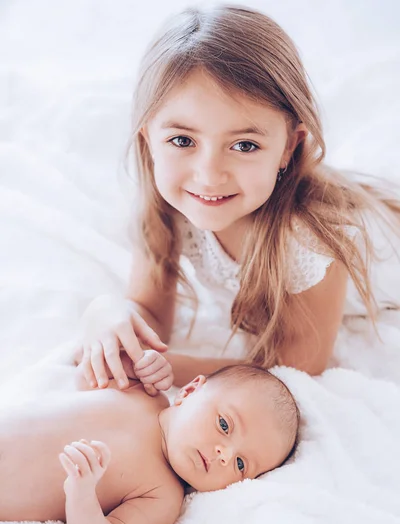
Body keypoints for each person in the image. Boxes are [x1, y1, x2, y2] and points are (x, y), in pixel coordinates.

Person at [76, 4, 400, 392]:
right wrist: (107, 315)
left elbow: (298, 366)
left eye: (244, 145)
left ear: (287, 147)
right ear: (148, 136)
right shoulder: (170, 203)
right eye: (182, 140)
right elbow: (149, 312)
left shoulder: (316, 235)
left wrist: (168, 367)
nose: (209, 175)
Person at [0, 361, 299, 524]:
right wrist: (137, 360)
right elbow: (84, 374)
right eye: (224, 425)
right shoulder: (145, 391)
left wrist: (81, 494)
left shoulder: (163, 496)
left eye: (241, 465)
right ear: (191, 390)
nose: (225, 454)